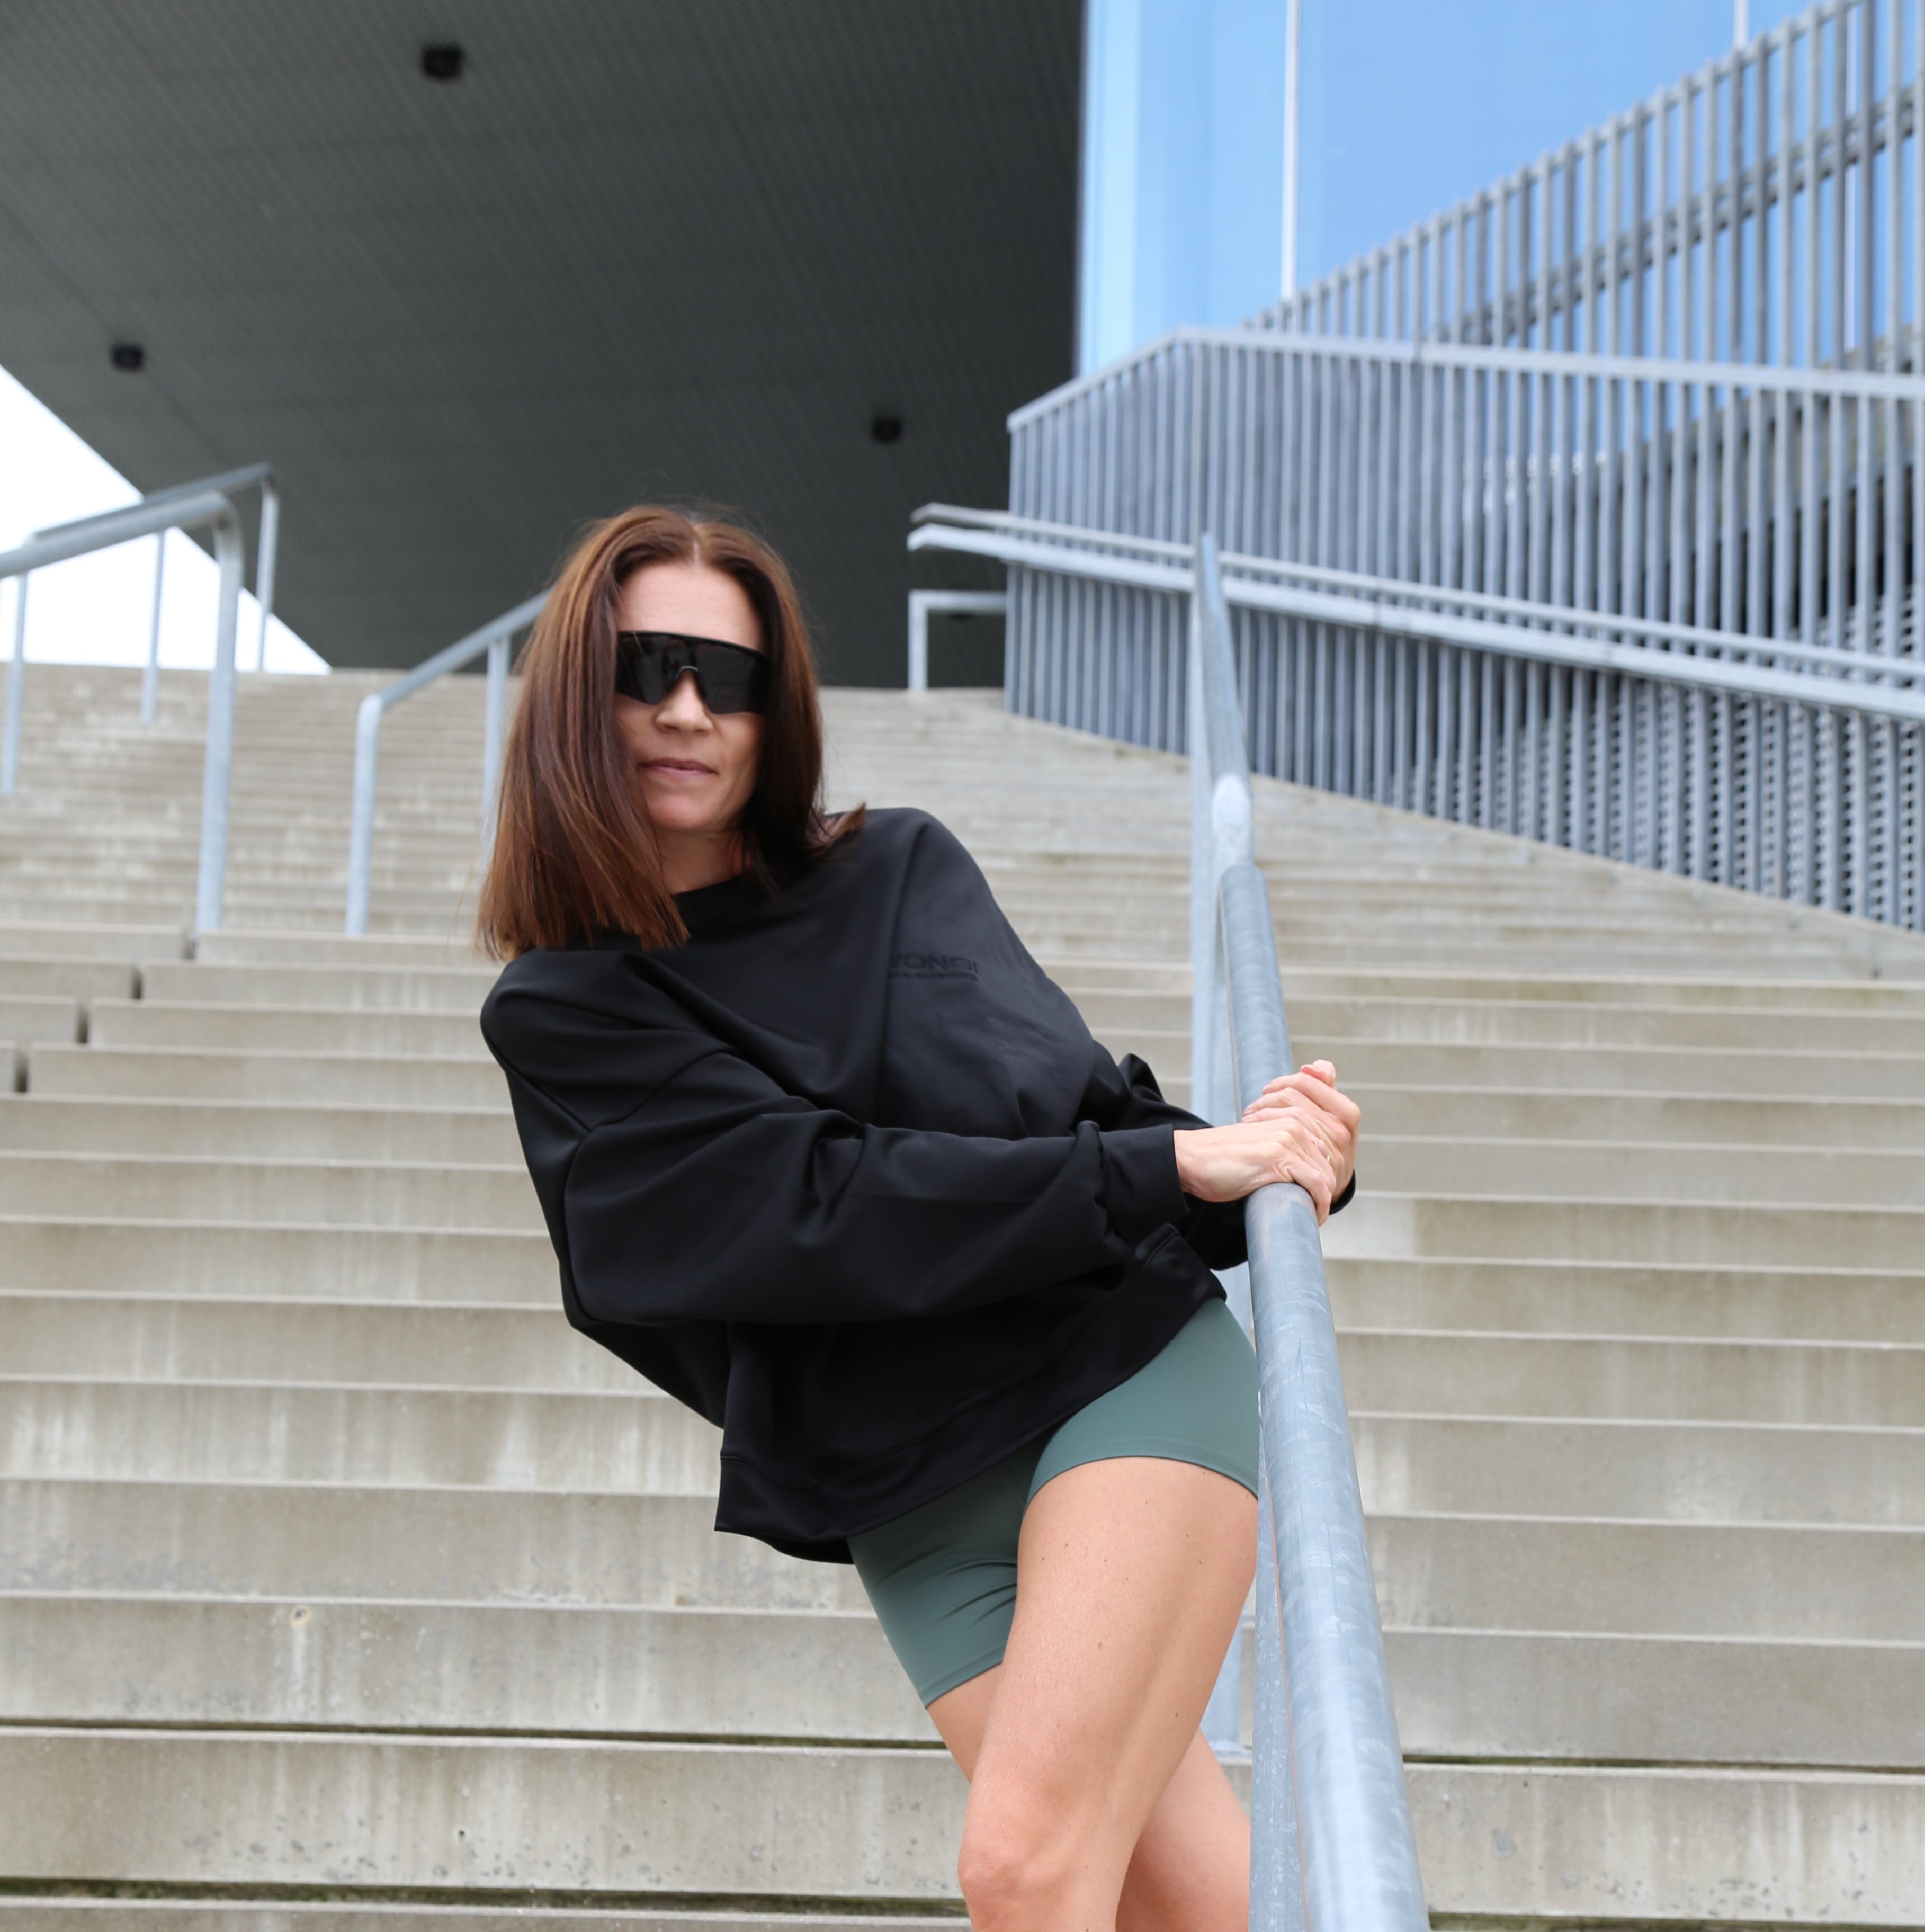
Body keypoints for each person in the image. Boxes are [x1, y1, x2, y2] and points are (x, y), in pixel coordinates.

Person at [478, 506, 1362, 1932]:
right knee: (1198, 1912)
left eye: (731, 677)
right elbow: (813, 1205)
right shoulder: (562, 1011)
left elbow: (1072, 1113)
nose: (689, 710)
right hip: (911, 1500)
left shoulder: (895, 871)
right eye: (647, 669)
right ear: (576, 698)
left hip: (1112, 1378)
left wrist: (1265, 1160)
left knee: (1021, 1870)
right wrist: (1167, 1170)